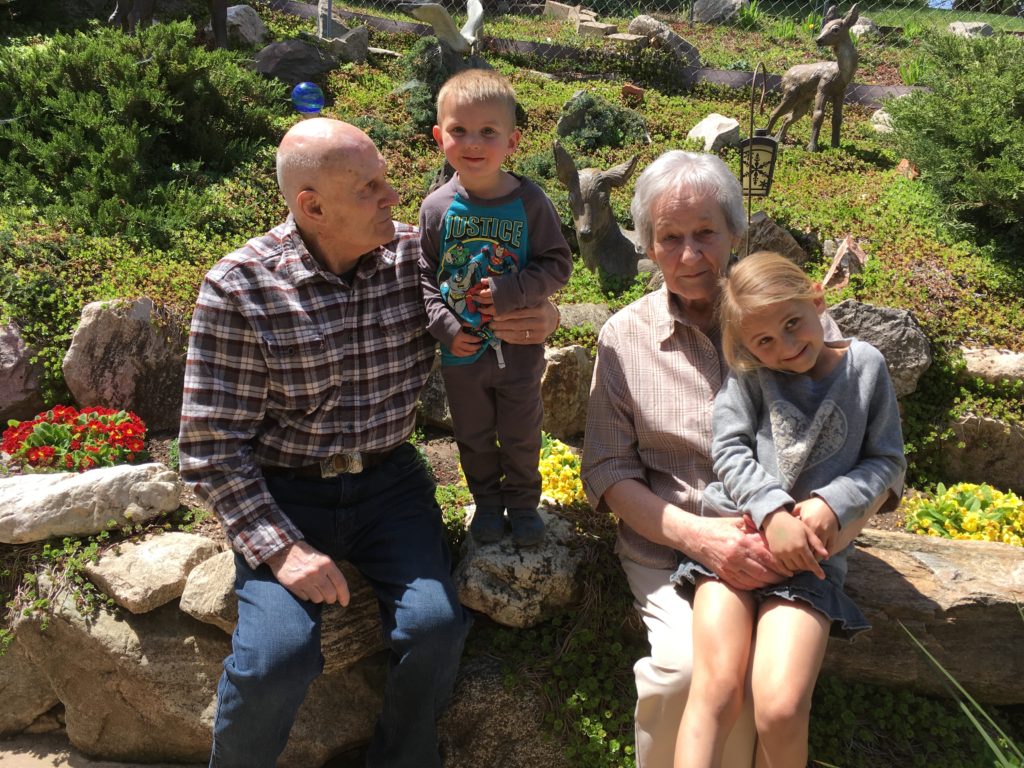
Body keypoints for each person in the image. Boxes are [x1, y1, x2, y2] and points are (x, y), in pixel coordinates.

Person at [178, 117, 559, 768]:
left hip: (390, 486)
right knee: (276, 658)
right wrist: (283, 551)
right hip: (284, 493)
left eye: (387, 180)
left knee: (436, 629)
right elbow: (211, 448)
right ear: (312, 206)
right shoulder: (240, 289)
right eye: (370, 188)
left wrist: (538, 313)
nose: (393, 196)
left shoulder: (418, 259)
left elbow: (510, 296)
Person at [580, 150, 893, 768]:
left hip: (794, 548)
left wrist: (821, 517)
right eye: (670, 237)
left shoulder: (794, 328)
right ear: (646, 245)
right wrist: (703, 538)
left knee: (764, 693)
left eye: (706, 233)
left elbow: (870, 459)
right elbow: (608, 472)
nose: (690, 254)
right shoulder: (623, 338)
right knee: (685, 675)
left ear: (735, 234)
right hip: (672, 545)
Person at [672, 251, 906, 768]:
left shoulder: (865, 367)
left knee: (779, 707)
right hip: (736, 542)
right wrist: (774, 513)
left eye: (793, 324)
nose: (786, 346)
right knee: (715, 690)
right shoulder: (750, 373)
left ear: (816, 299)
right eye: (764, 341)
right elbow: (729, 450)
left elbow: (888, 460)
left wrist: (831, 502)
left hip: (810, 563)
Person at [419, 69, 572, 547]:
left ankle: (524, 505)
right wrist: (444, 324)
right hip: (462, 355)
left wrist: (512, 292)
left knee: (522, 434)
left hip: (519, 350)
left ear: (513, 141)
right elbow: (423, 277)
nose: (473, 142)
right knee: (474, 435)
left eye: (489, 131)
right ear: (438, 136)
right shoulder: (437, 209)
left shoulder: (530, 203)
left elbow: (558, 263)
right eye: (459, 130)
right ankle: (486, 504)